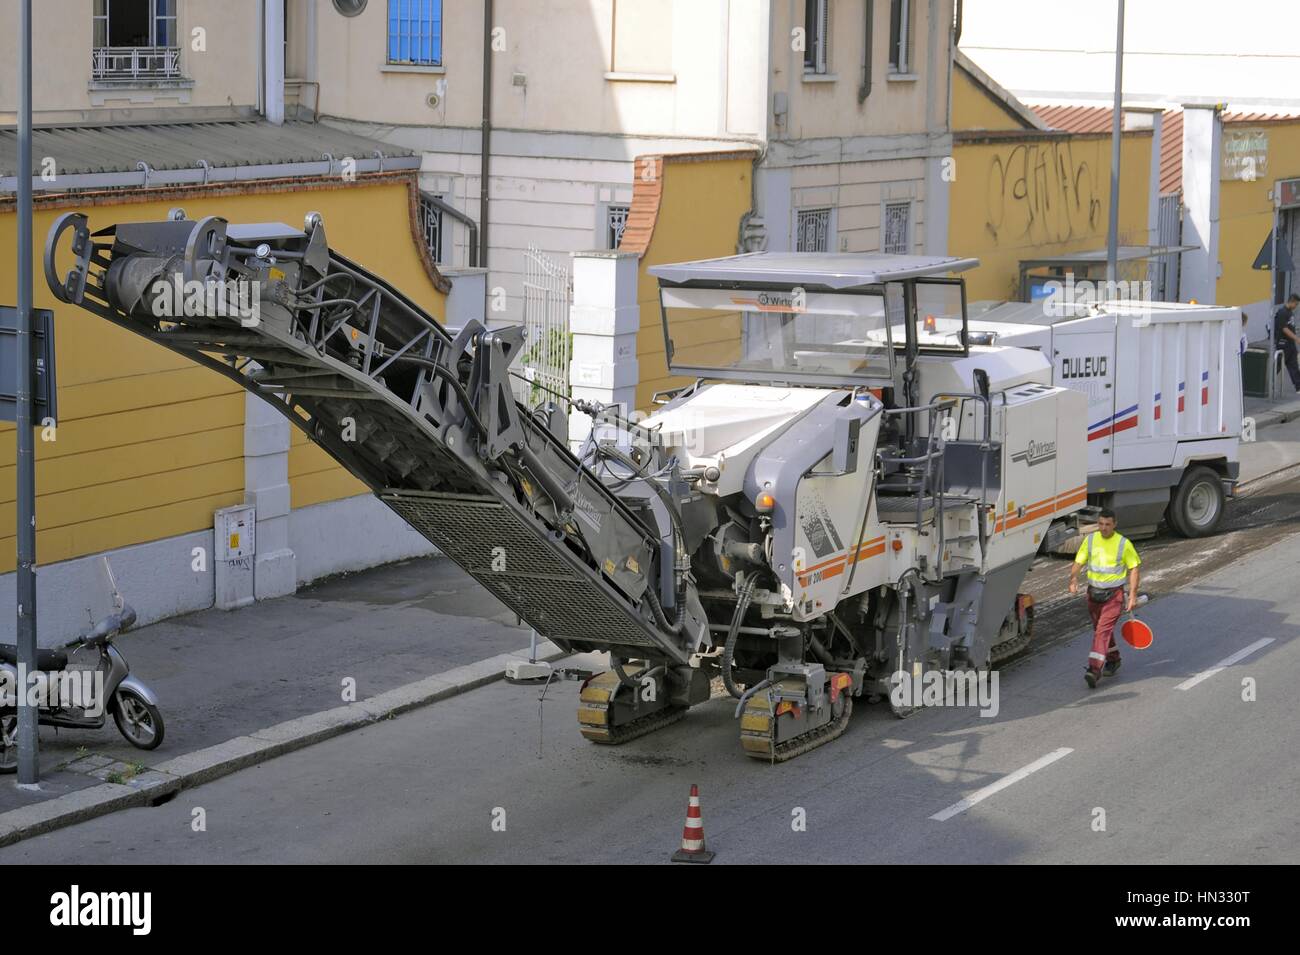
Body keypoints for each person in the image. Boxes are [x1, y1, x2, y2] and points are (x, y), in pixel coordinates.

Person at [1068, 508, 1141, 689]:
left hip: (1114, 597)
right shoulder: (1091, 540)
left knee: (1102, 631)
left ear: (1115, 524)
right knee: (1102, 631)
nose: (1103, 528)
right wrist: (1073, 578)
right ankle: (1113, 659)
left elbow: (1134, 568)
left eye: (1108, 524)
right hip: (1093, 595)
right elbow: (1079, 561)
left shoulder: (1123, 544)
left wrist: (1132, 595)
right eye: (1100, 524)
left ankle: (1094, 670)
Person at [1273, 293, 1300, 392]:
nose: (1296, 307)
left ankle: (1298, 386)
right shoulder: (1282, 312)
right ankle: (1268, 384)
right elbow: (1284, 329)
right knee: (1278, 365)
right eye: (1296, 304)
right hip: (1283, 343)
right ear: (1291, 301)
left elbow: (1290, 327)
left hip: (1290, 343)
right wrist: (1296, 338)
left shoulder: (1289, 312)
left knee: (1294, 365)